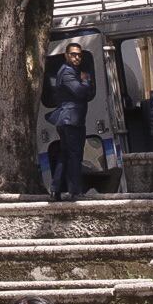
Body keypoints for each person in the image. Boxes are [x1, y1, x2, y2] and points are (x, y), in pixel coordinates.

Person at [47, 42, 95, 202]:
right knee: (74, 155)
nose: (77, 57)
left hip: (70, 119)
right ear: (66, 55)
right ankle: (75, 191)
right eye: (73, 54)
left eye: (79, 55)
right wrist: (86, 81)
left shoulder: (71, 71)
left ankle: (55, 189)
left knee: (65, 155)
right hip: (70, 120)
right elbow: (80, 92)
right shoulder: (67, 72)